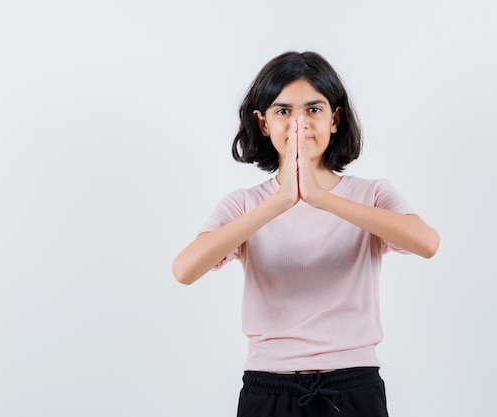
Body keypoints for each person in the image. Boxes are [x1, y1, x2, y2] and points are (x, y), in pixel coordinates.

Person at [172, 51, 439, 417]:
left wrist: (319, 197)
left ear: (335, 119)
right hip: (269, 387)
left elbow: (426, 242)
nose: (300, 123)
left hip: (352, 386)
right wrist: (280, 201)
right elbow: (184, 270)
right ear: (263, 123)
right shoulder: (245, 204)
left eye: (314, 110)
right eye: (283, 111)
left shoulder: (372, 194)